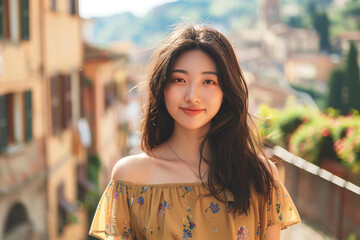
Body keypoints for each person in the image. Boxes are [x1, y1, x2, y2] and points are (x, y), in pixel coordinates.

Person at [89, 24, 301, 240]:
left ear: (225, 92)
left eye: (208, 81)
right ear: (162, 87)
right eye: (179, 80)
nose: (193, 96)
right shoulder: (130, 178)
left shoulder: (259, 175)